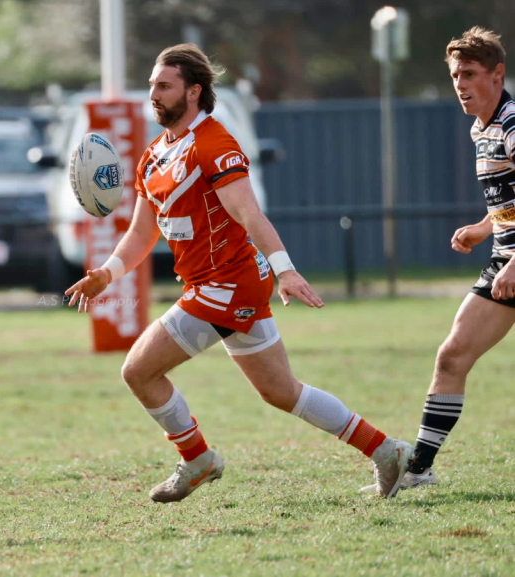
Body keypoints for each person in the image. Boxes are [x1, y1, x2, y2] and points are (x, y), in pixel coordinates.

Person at [65, 44, 412, 503]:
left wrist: (285, 271)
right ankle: (387, 451)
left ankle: (197, 459)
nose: (153, 94)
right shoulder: (153, 156)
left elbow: (250, 214)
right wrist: (107, 274)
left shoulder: (214, 145)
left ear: (193, 92)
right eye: (151, 85)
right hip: (212, 284)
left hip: (227, 283)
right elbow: (142, 232)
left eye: (163, 86)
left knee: (139, 371)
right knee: (280, 391)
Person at [396, 27, 514, 490]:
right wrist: (483, 227)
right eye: (454, 76)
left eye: (469, 74)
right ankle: (419, 470)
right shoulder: (480, 127)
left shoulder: (511, 122)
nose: (460, 85)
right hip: (505, 259)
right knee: (451, 356)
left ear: (497, 74)